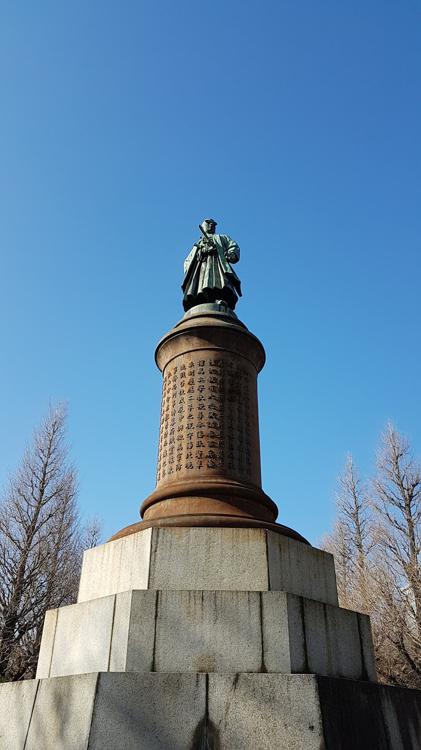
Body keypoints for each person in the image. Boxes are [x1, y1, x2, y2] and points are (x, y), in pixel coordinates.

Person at [182, 219, 242, 311]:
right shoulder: (198, 243)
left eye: (213, 224)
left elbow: (233, 246)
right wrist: (202, 251)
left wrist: (231, 254)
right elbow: (188, 260)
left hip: (217, 262)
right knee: (201, 282)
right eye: (208, 223)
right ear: (204, 226)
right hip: (202, 264)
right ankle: (201, 300)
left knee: (219, 280)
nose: (211, 225)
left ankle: (219, 298)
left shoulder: (222, 237)